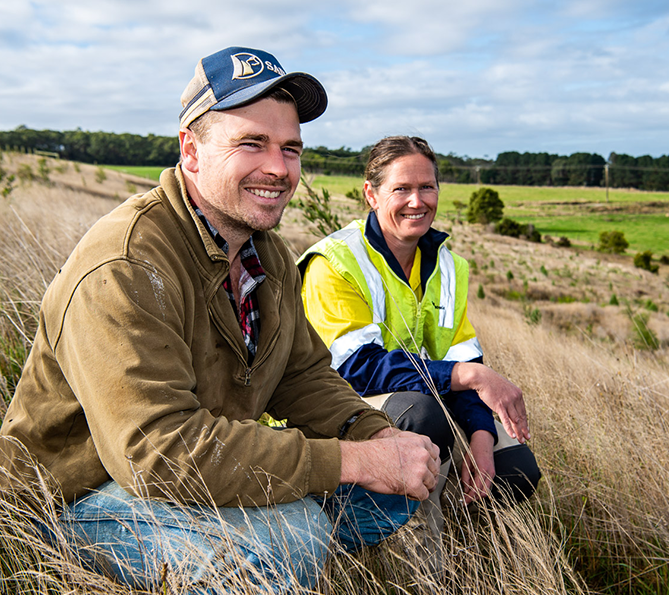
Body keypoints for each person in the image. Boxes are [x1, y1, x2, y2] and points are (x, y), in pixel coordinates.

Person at [0, 48, 442, 593]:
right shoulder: (127, 265)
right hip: (74, 499)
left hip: (189, 473)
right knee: (293, 537)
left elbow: (300, 376)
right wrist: (345, 460)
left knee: (393, 479)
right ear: (192, 151)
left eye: (290, 149)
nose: (278, 169)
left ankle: (301, 552)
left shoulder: (269, 255)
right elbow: (158, 450)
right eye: (251, 144)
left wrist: (375, 437)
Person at [297, 135, 542, 572]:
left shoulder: (447, 264)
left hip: (414, 392)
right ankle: (417, 565)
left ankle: (466, 549)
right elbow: (355, 369)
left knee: (514, 466)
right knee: (423, 417)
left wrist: (482, 435)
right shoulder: (334, 263)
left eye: (427, 187)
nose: (417, 201)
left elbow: (463, 355)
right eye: (401, 189)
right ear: (370, 194)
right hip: (337, 405)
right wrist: (468, 378)